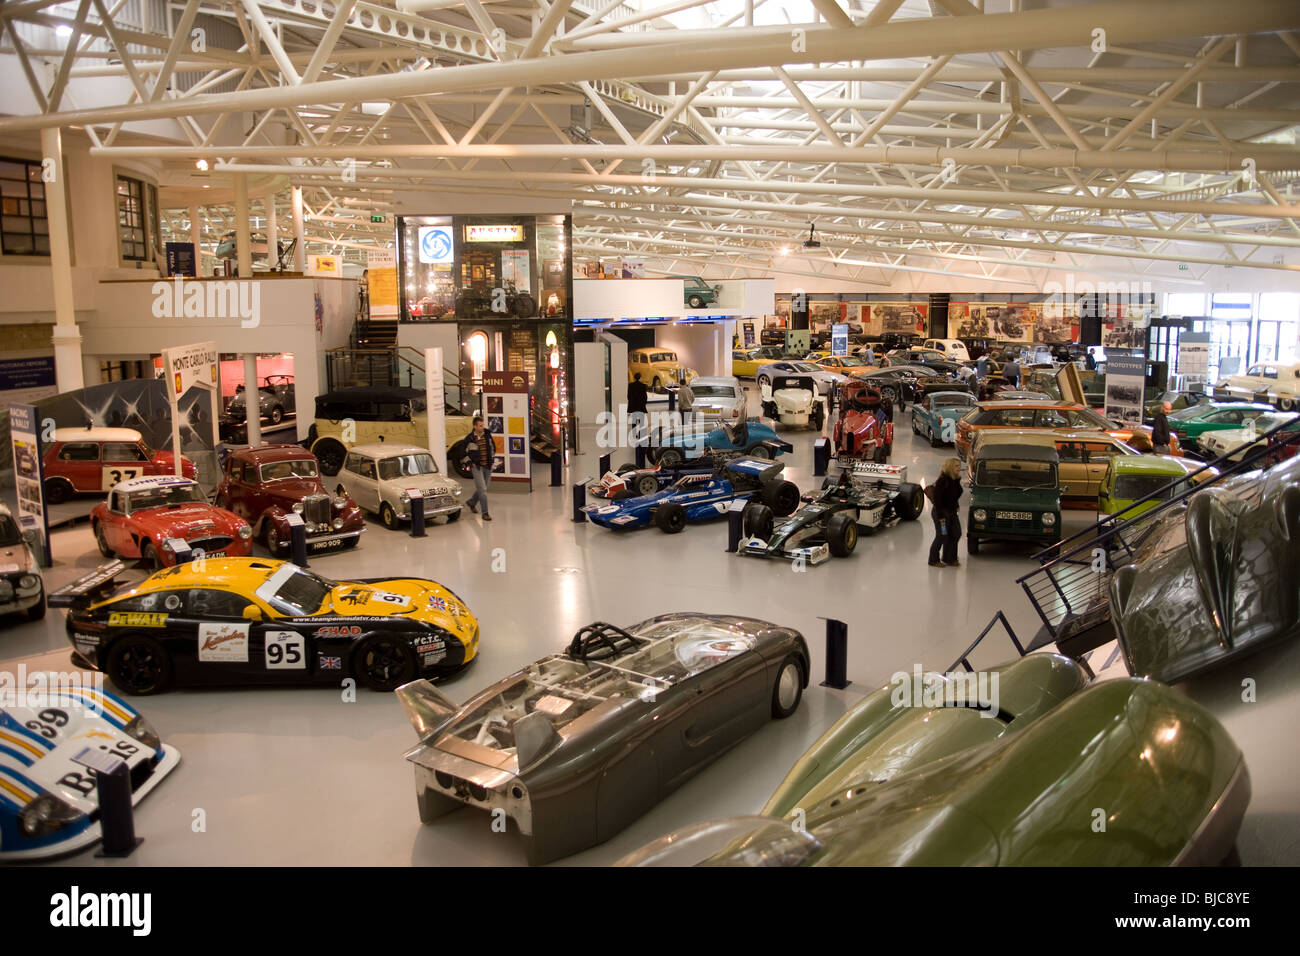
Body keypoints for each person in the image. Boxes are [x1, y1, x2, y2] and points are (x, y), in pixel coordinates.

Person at [927, 457, 963, 568]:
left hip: (951, 512)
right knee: (942, 535)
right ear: (950, 467)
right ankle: (933, 560)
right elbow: (938, 501)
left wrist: (956, 505)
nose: (959, 468)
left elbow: (953, 496)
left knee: (956, 533)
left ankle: (949, 558)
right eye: (956, 466)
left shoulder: (955, 480)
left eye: (959, 466)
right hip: (941, 513)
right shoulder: (942, 481)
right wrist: (941, 516)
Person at [462, 416, 495, 521]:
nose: (482, 427)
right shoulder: (469, 439)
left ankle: (471, 502)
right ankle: (485, 513)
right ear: (475, 426)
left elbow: (493, 447)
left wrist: (492, 459)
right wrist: (470, 463)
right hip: (477, 467)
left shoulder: (487, 435)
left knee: (483, 488)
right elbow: (462, 453)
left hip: (487, 466)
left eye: (483, 425)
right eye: (480, 426)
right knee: (483, 490)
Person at [627, 372, 650, 446]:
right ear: (640, 377)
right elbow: (645, 397)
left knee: (634, 421)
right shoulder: (643, 386)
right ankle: (640, 434)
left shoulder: (630, 385)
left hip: (633, 406)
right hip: (640, 406)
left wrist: (631, 403)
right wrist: (644, 404)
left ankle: (634, 434)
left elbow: (629, 396)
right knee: (641, 421)